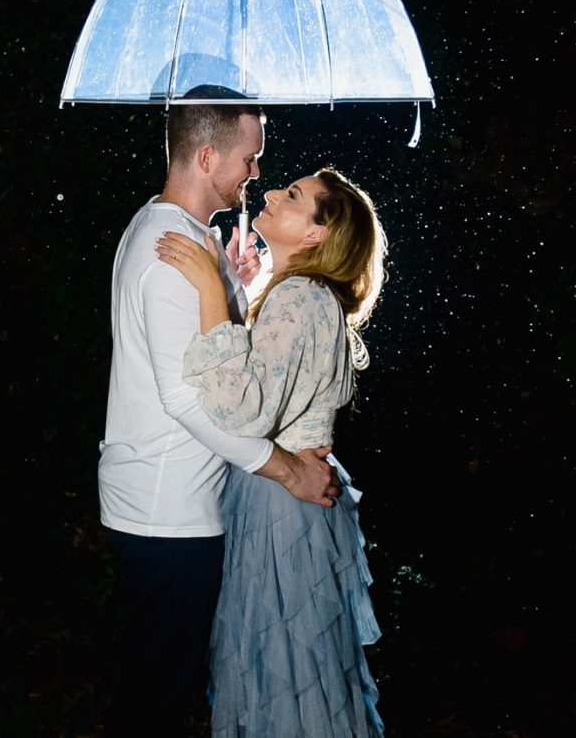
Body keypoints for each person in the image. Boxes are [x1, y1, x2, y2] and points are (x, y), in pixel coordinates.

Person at [100, 86, 341, 737]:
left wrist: (235, 288)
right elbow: (188, 399)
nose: (256, 173)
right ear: (208, 158)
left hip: (165, 504)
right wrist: (286, 469)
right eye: (250, 158)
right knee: (157, 699)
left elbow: (204, 359)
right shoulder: (172, 250)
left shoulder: (178, 233)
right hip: (165, 513)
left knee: (161, 688)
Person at [155, 167, 387, 737]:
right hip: (291, 504)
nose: (271, 194)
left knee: (277, 664)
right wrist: (238, 290)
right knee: (287, 661)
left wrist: (211, 287)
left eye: (293, 197)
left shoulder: (301, 298)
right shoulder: (301, 296)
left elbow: (243, 410)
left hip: (280, 506)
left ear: (315, 236)